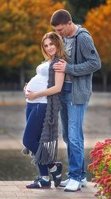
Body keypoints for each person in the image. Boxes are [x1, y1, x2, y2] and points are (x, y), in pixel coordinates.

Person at [50, 9, 101, 192]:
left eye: (61, 30)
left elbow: (95, 63)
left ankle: (75, 176)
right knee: (67, 136)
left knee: (74, 134)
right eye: (56, 30)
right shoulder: (63, 38)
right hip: (64, 92)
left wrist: (69, 68)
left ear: (70, 23)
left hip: (77, 93)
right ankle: (80, 177)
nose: (59, 33)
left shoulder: (83, 37)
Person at [22, 31, 66, 189]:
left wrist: (36, 95)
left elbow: (57, 87)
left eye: (51, 44)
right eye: (46, 45)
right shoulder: (48, 61)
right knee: (38, 141)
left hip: (42, 104)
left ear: (57, 43)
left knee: (28, 140)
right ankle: (45, 178)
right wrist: (28, 88)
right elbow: (41, 79)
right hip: (32, 102)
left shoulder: (59, 62)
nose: (49, 48)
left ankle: (54, 166)